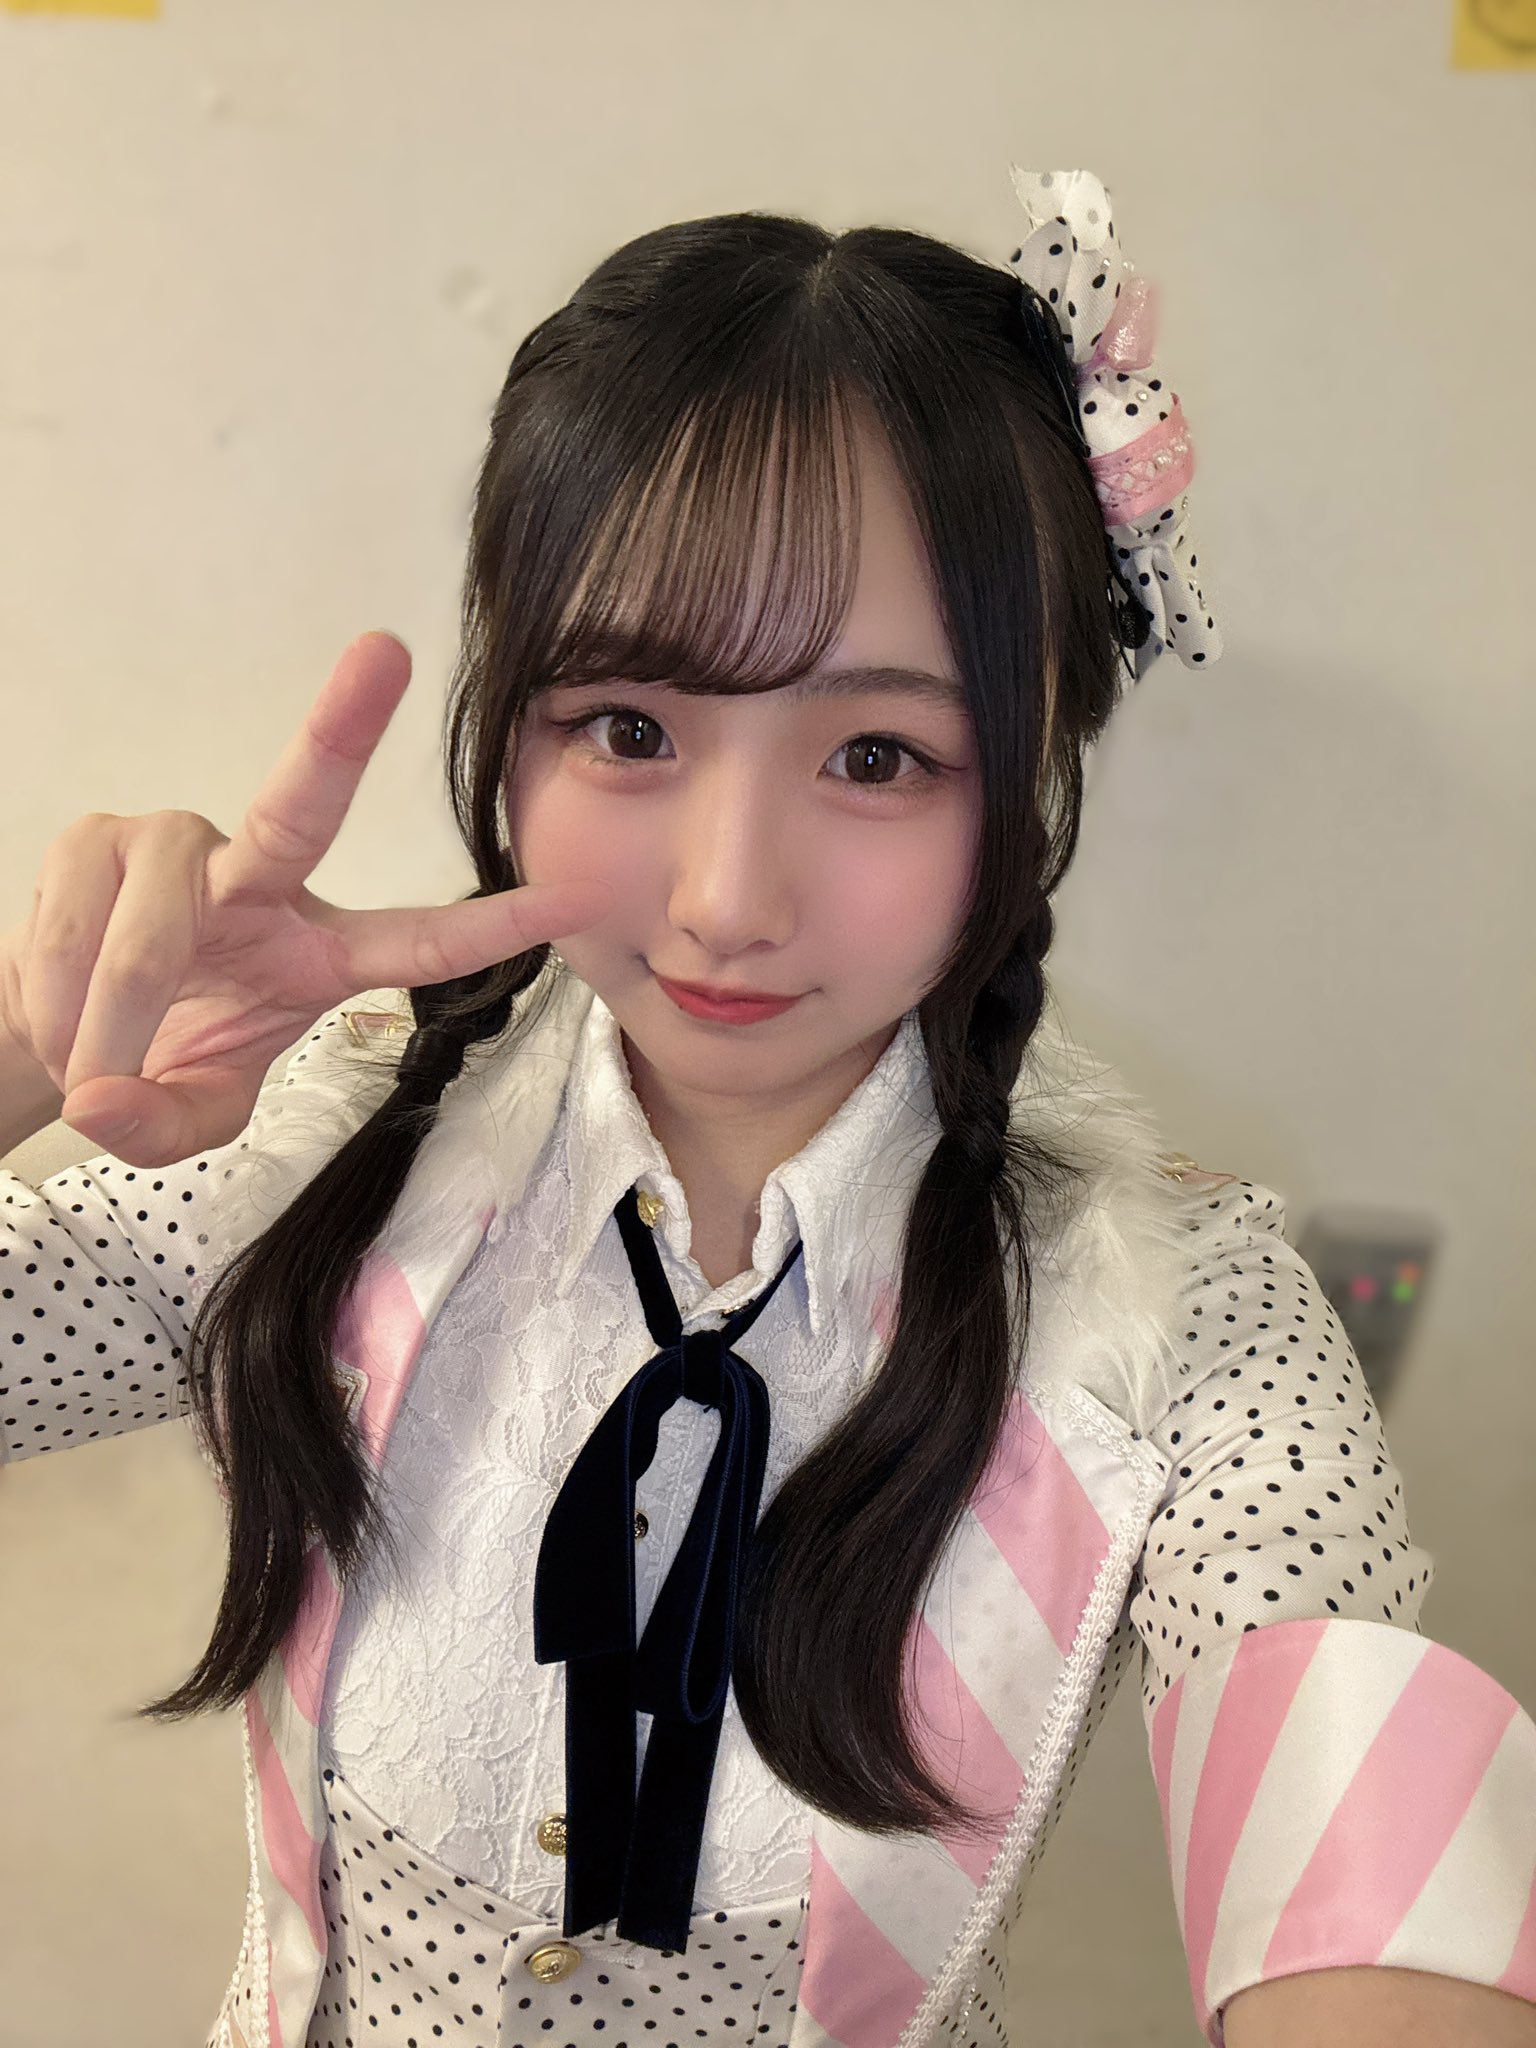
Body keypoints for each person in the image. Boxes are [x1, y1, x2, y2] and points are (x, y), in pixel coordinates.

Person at [3, 171, 1534, 2048]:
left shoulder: (1176, 1320)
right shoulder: (339, 1138)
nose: (729, 899)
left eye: (877, 753)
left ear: (1028, 781)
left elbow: (1367, 1889)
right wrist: (33, 1042)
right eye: (630, 729)